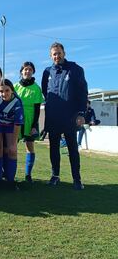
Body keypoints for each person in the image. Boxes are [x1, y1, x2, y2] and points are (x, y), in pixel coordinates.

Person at [41, 42, 88, 190]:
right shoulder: (47, 72)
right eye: (54, 54)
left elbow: (82, 92)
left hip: (70, 117)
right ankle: (55, 176)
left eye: (59, 53)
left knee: (72, 149)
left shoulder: (75, 69)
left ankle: (77, 179)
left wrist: (81, 113)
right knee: (53, 148)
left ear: (64, 53)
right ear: (51, 56)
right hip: (53, 117)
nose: (57, 56)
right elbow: (45, 92)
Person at [0, 79, 24, 189]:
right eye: (1, 91)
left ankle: (10, 179)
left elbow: (17, 124)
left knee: (12, 150)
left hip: (10, 125)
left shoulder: (17, 102)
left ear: (12, 90)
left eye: (7, 90)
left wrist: (13, 143)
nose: (4, 94)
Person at [14, 62, 44, 182]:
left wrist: (33, 125)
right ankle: (10, 174)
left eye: (30, 70)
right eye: (25, 69)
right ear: (21, 71)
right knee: (11, 147)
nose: (28, 71)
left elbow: (37, 109)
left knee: (29, 146)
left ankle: (28, 174)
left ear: (33, 72)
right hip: (16, 119)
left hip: (30, 120)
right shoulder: (15, 86)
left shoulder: (36, 88)